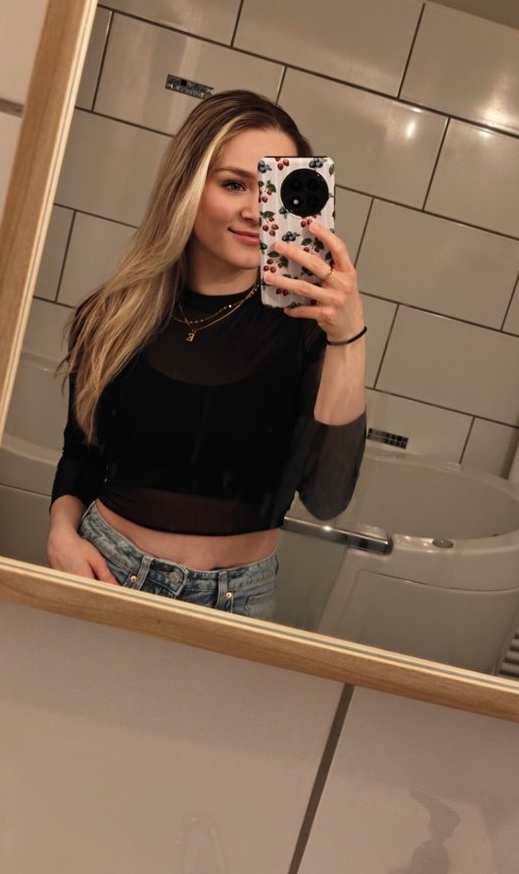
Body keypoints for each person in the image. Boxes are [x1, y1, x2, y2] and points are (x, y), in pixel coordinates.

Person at [47, 90, 367, 620]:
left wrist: (349, 333)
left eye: (271, 189)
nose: (254, 210)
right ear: (188, 185)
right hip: (103, 567)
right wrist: (61, 532)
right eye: (234, 184)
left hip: (237, 600)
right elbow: (81, 453)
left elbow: (327, 498)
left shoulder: (308, 330)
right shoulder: (115, 314)